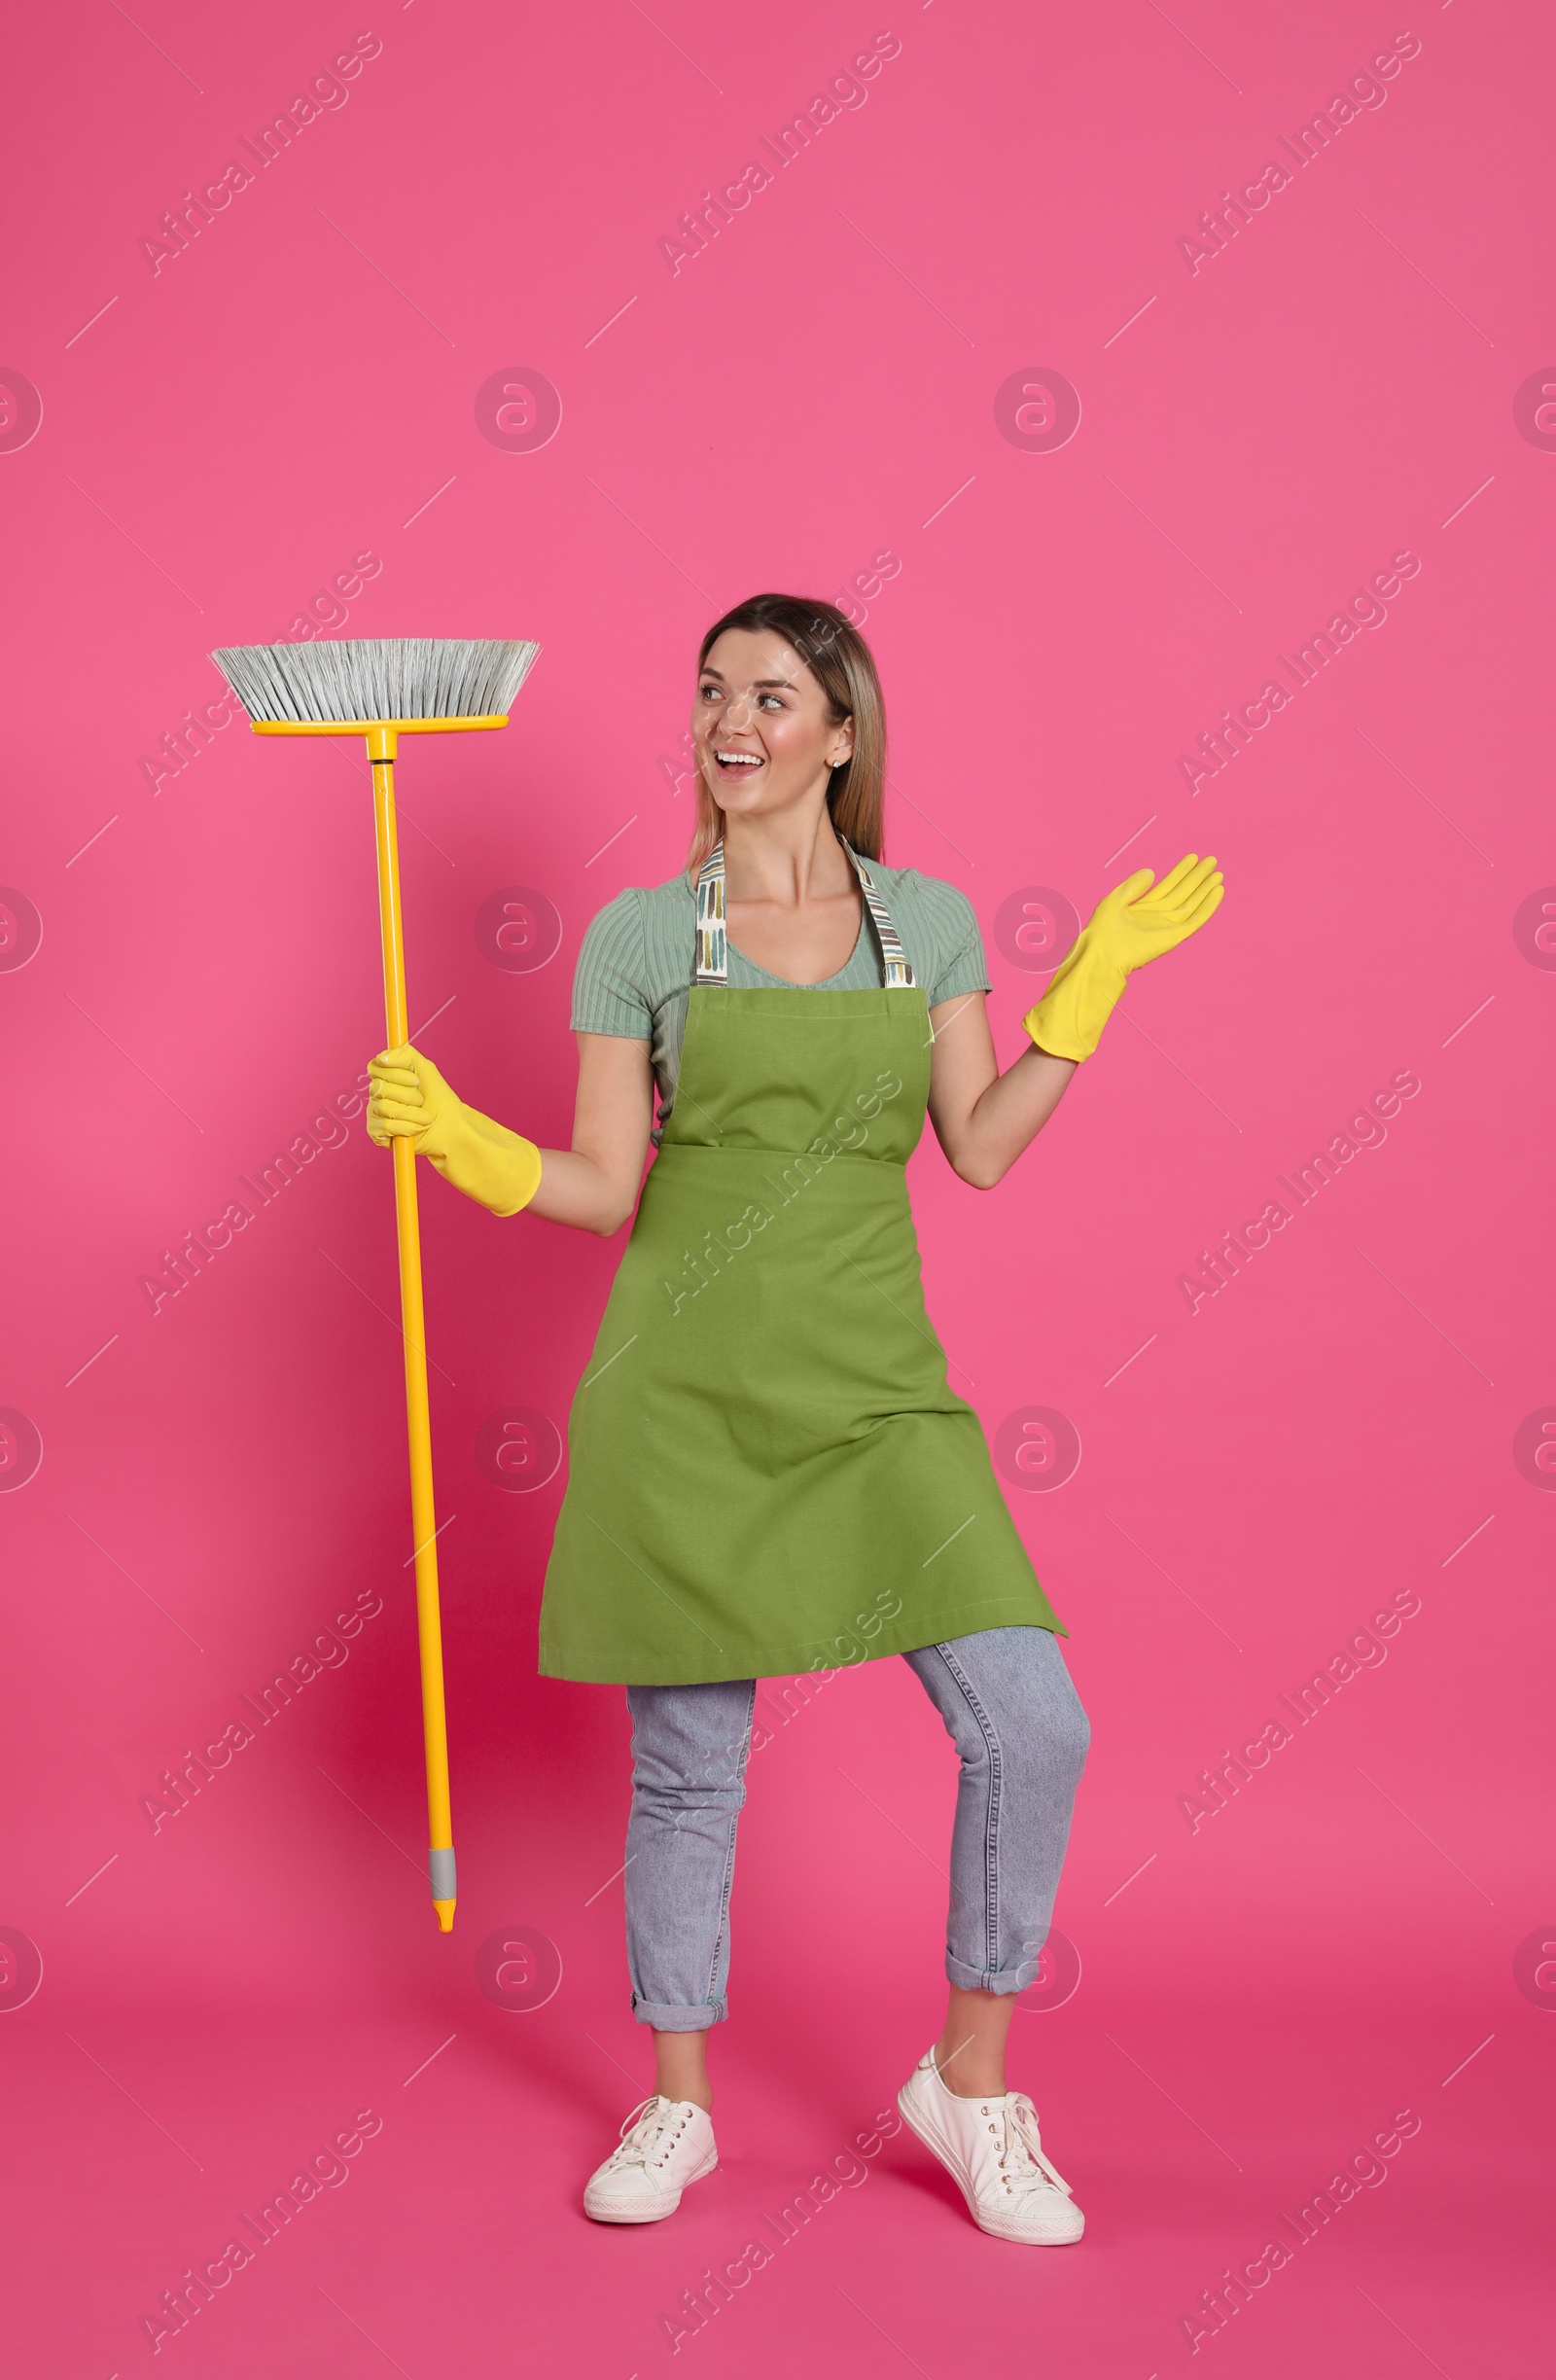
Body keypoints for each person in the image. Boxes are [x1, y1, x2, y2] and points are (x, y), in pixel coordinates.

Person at [366, 592, 1223, 2246]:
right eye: (707, 693)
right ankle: (677, 2106)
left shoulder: (931, 924)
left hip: (878, 1396)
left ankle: (970, 2086)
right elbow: (602, 1182)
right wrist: (467, 1142)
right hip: (682, 1397)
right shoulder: (639, 934)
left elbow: (976, 1144)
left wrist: (1083, 1003)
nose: (728, 721)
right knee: (691, 1772)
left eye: (769, 694)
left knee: (1031, 1724)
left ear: (843, 731)